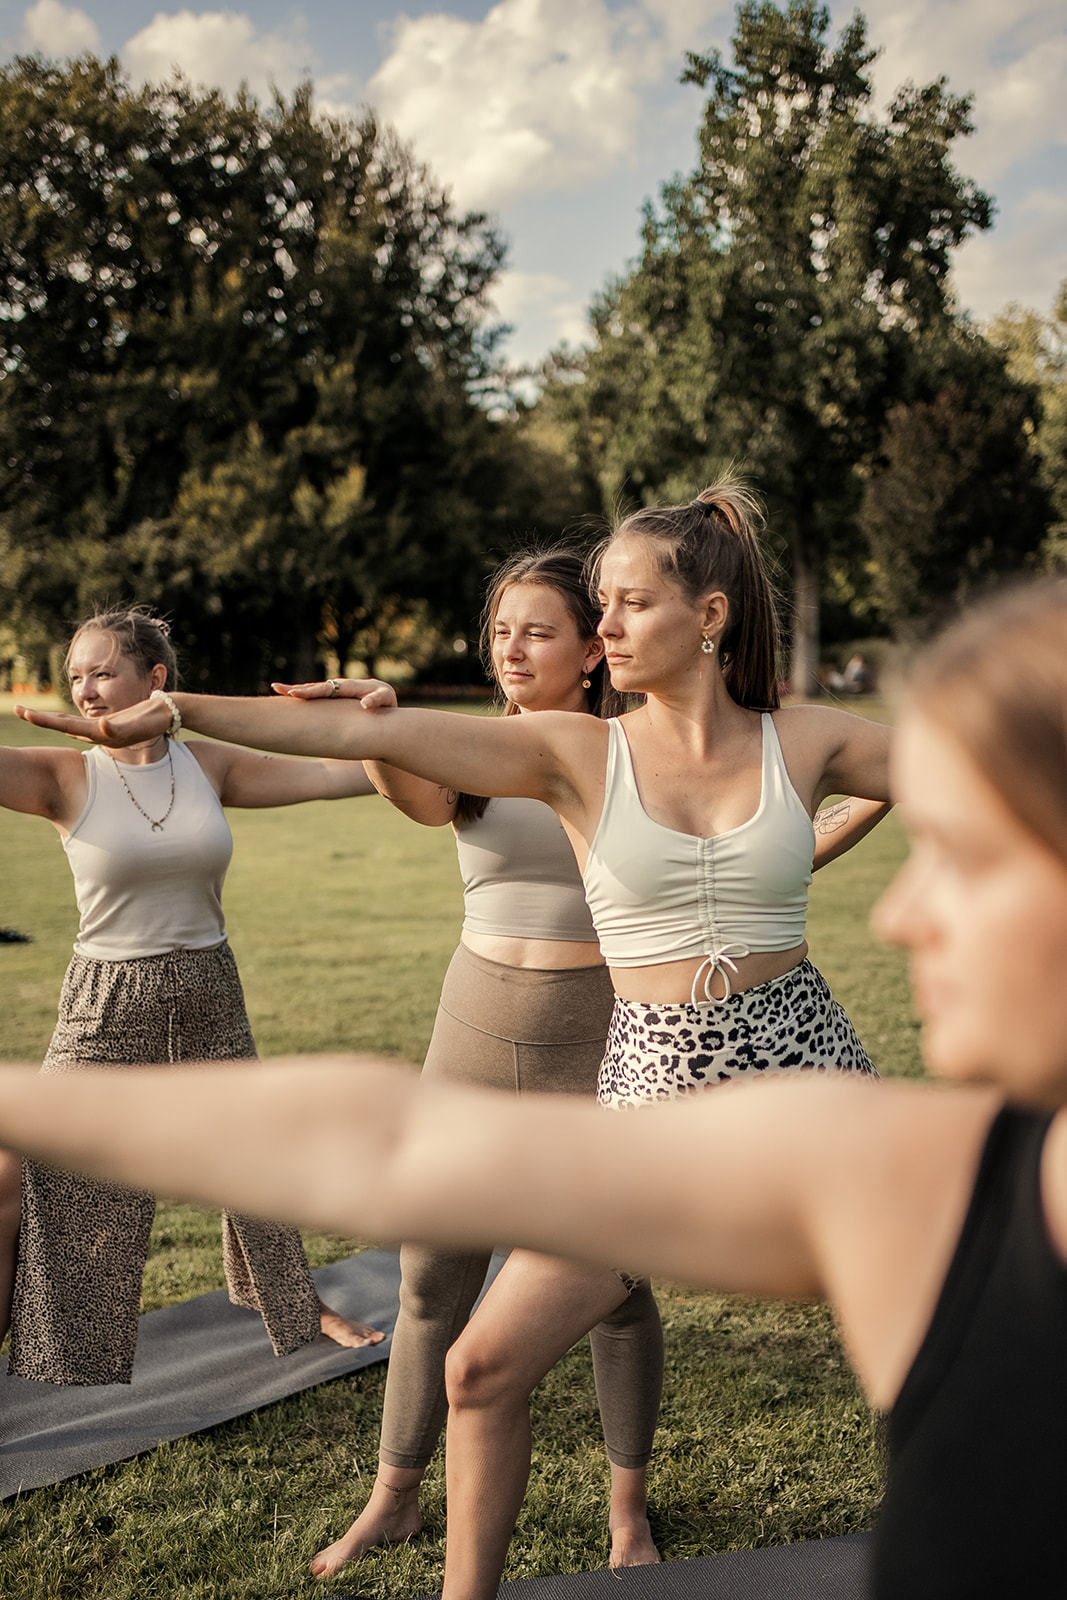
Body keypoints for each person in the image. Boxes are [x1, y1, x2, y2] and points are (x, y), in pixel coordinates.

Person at [9, 580, 1067, 1595]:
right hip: (548, 1037)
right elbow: (386, 1142)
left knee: (595, 1321)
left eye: (967, 855)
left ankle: (627, 1508)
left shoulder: (909, 1170)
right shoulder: (922, 1174)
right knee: (465, 1343)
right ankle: (401, 1494)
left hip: (622, 1034)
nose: (899, 917)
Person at [305, 548, 666, 1580]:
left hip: (591, 1035)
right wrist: (379, 731)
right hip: (469, 1027)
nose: (510, 647)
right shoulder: (470, 748)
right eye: (500, 628)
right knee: (430, 1279)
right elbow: (416, 800)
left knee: (613, 1290)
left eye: (535, 629)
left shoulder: (627, 752)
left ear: (591, 649)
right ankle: (393, 1495)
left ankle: (626, 1511)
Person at [0, 609, 384, 1385]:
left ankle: (296, 1303)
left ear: (157, 681)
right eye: (76, 675)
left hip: (209, 983)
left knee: (250, 1161)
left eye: (103, 671)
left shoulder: (207, 765)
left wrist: (370, 706)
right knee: (29, 1167)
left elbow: (343, 771)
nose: (87, 689)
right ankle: (36, 1345)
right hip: (105, 999)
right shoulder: (63, 774)